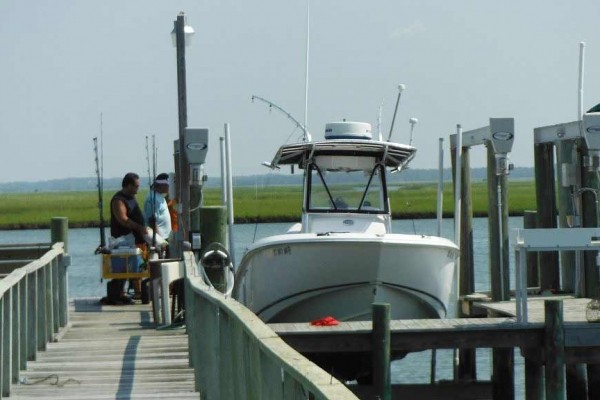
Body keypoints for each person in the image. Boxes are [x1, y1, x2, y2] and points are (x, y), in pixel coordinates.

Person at [102, 172, 147, 305]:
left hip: (136, 239)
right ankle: (118, 294)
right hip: (124, 240)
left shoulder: (132, 197)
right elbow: (123, 219)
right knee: (123, 268)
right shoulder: (118, 200)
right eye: (136, 186)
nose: (137, 190)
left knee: (136, 267)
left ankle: (134, 293)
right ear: (128, 185)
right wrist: (138, 227)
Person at [144, 173, 172, 247]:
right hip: (159, 240)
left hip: (165, 238)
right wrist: (159, 240)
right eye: (168, 185)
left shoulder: (159, 196)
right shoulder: (152, 198)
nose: (170, 187)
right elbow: (152, 220)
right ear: (162, 185)